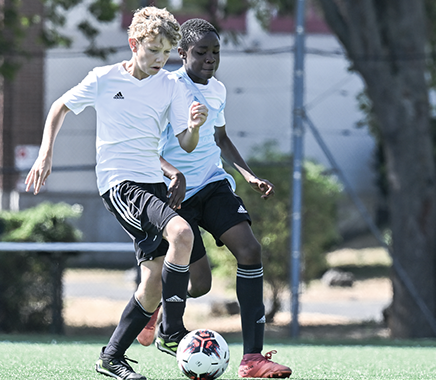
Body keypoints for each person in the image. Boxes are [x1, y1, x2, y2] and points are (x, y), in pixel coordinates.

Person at [24, 7, 208, 380]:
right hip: (119, 184)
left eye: (167, 52)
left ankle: (111, 357)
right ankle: (172, 333)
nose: (160, 59)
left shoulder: (170, 85)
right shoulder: (103, 79)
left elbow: (186, 145)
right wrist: (45, 154)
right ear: (133, 43)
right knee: (182, 233)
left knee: (154, 278)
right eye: (153, 49)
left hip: (153, 185)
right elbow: (60, 106)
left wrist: (194, 127)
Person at [136, 18, 292, 378]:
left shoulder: (218, 90)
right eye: (201, 52)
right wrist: (170, 174)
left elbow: (220, 139)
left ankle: (253, 359)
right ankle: (159, 309)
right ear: (182, 53)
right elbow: (145, 145)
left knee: (250, 250)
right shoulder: (166, 88)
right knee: (200, 284)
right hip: (175, 194)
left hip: (213, 184)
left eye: (216, 52)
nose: (210, 58)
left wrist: (247, 174)